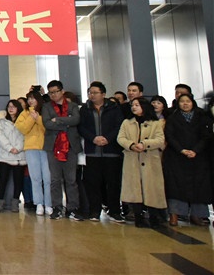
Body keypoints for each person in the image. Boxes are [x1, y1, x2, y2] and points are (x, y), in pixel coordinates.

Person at [163, 91, 212, 226]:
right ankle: (175, 214)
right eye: (182, 102)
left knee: (199, 186)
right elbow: (170, 136)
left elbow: (206, 136)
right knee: (176, 186)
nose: (185, 104)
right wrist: (182, 150)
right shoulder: (173, 118)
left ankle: (197, 215)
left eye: (188, 101)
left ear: (192, 103)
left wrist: (195, 150)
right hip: (177, 156)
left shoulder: (201, 117)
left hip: (198, 157)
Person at [78, 81, 125, 222]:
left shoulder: (114, 108)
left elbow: (119, 126)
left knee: (113, 183)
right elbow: (81, 127)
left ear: (103, 94)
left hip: (111, 151)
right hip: (92, 151)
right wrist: (93, 138)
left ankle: (115, 211)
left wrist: (108, 138)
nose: (92, 95)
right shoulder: (85, 109)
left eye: (95, 93)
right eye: (90, 93)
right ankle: (94, 211)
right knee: (92, 183)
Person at [117, 97, 167, 228]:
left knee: (152, 189)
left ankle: (154, 217)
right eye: (132, 105)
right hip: (132, 159)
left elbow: (160, 140)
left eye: (137, 105)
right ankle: (138, 217)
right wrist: (131, 145)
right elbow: (120, 138)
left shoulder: (155, 123)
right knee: (135, 189)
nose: (134, 107)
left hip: (150, 159)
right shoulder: (127, 122)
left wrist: (145, 144)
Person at [43, 80, 84, 221]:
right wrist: (67, 121)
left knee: (71, 179)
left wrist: (57, 120)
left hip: (70, 146)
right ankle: (57, 207)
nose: (53, 95)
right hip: (53, 146)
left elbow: (76, 120)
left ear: (62, 91)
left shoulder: (72, 106)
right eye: (51, 93)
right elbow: (47, 124)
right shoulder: (47, 107)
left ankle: (72, 208)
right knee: (55, 179)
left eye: (56, 92)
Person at [16, 91, 52, 216]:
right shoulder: (25, 112)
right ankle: (39, 203)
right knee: (35, 177)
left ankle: (48, 203)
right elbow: (22, 128)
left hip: (45, 147)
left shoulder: (45, 110)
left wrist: (38, 118)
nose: (30, 101)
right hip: (31, 148)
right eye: (29, 99)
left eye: (33, 98)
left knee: (47, 177)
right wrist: (32, 117)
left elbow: (48, 128)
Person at [0, 100, 26, 213]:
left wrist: (18, 148)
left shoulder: (23, 121)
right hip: (5, 155)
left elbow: (25, 135)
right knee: (3, 179)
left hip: (20, 155)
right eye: (9, 106)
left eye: (13, 107)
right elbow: (0, 137)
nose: (11, 109)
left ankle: (15, 202)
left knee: (18, 180)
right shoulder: (1, 122)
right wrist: (10, 148)